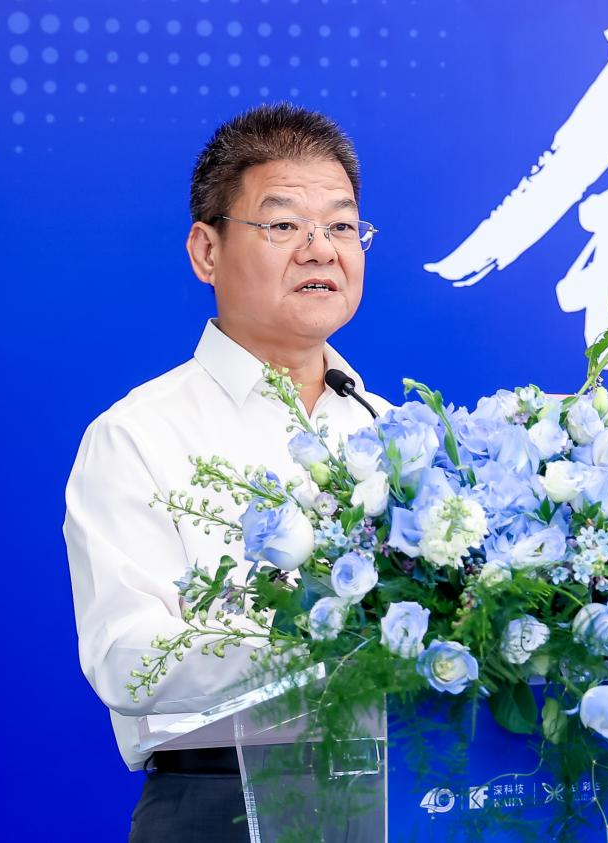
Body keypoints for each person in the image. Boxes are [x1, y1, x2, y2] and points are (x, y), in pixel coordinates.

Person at [64, 103, 391, 842]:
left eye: (342, 226)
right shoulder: (138, 435)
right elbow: (125, 656)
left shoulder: (398, 432)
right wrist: (320, 656)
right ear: (206, 251)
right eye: (284, 225)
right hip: (223, 801)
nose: (320, 250)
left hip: (405, 794)